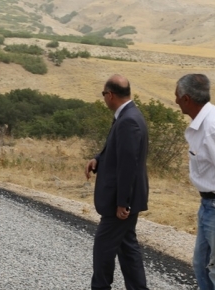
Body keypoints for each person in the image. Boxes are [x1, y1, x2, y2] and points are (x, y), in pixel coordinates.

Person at [84, 74, 149, 290]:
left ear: (110, 95)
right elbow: (117, 152)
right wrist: (98, 160)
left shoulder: (128, 120)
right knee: (128, 249)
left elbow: (128, 165)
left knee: (102, 249)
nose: (104, 99)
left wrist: (123, 202)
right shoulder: (127, 115)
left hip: (119, 204)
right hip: (123, 199)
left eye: (104, 94)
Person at [174, 74, 215, 289]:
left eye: (176, 96)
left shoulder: (212, 128)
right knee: (201, 265)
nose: (174, 101)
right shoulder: (205, 123)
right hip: (208, 206)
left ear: (186, 99)